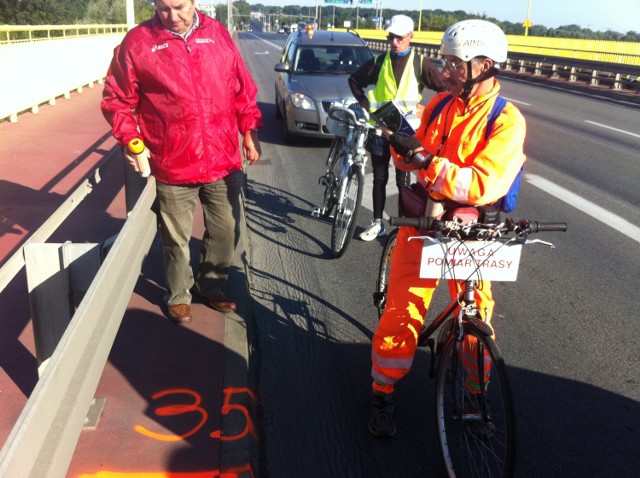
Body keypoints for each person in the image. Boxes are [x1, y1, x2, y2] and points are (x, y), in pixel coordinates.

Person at [368, 19, 527, 437]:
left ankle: (477, 396)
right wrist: (403, 148)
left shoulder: (507, 120)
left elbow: (480, 184)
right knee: (402, 313)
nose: (446, 70)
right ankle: (382, 394)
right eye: (446, 61)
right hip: (423, 223)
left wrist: (425, 163)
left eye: (456, 63)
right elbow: (415, 156)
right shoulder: (439, 105)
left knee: (476, 315)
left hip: (474, 231)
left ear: (485, 65)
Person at [101, 0, 262, 325]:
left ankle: (210, 285)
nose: (173, 16)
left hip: (222, 156)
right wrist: (131, 140)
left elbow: (241, 88)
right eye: (164, 9)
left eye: (180, 7)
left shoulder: (217, 35)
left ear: (194, 3)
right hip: (173, 161)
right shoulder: (138, 43)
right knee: (175, 236)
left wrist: (249, 130)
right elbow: (116, 99)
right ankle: (178, 295)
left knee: (226, 230)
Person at [348, 14, 446, 242]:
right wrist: (365, 103)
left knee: (403, 181)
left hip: (406, 133)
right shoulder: (379, 62)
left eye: (399, 38)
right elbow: (354, 80)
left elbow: (445, 93)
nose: (394, 42)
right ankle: (377, 224)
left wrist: (427, 110)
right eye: (391, 37)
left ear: (411, 37)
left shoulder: (422, 64)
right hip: (381, 130)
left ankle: (405, 226)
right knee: (380, 177)